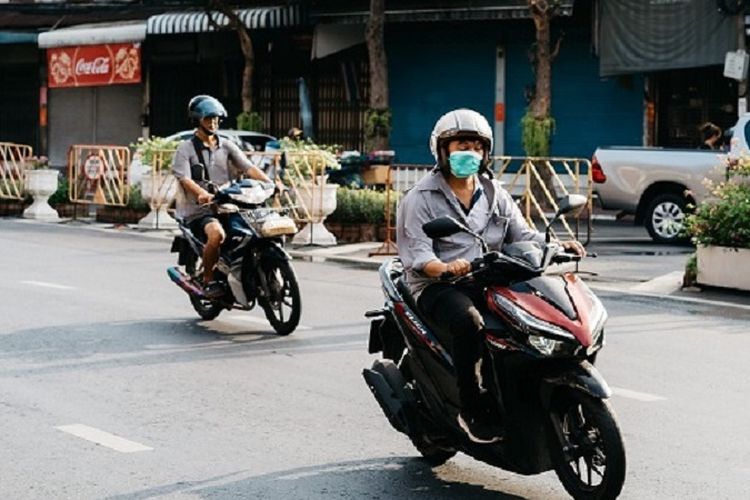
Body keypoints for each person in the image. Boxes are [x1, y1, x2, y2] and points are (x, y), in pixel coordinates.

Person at [396, 109, 585, 444]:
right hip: (439, 285)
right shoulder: (420, 198)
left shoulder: (494, 192)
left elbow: (522, 235)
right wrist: (445, 267)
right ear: (443, 150)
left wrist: (557, 245)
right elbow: (419, 254)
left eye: (476, 145)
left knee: (535, 312)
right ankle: (472, 408)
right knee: (469, 322)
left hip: (488, 276)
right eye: (460, 144)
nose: (469, 152)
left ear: (485, 152)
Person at [172, 94, 273, 298]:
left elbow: (248, 168)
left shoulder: (226, 144)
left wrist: (270, 183)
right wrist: (202, 193)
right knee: (216, 234)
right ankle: (208, 280)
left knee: (256, 230)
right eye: (209, 119)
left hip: (228, 203)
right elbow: (184, 178)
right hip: (200, 210)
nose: (214, 123)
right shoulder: (185, 148)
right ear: (197, 120)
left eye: (216, 119)